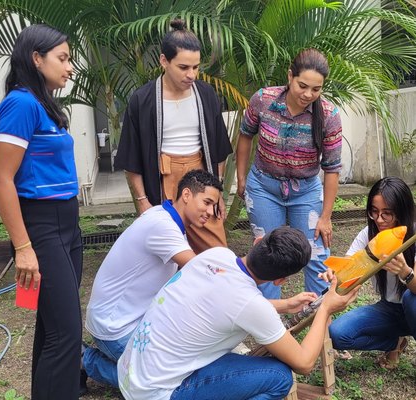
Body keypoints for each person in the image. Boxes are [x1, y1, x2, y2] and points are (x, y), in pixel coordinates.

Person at [117, 226, 359, 400]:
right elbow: (304, 363)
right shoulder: (251, 305)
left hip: (130, 373)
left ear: (257, 242)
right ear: (280, 280)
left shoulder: (216, 255)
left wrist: (284, 305)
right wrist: (326, 307)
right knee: (279, 377)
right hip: (157, 393)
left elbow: (226, 304)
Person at [0, 25, 82, 399]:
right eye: (63, 58)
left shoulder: (43, 104)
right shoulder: (21, 104)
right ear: (36, 58)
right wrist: (23, 247)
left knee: (53, 327)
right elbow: (1, 180)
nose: (70, 67)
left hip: (67, 225)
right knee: (66, 334)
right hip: (41, 227)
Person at [82, 169, 222, 389]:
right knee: (163, 384)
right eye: (207, 202)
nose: (210, 211)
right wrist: (249, 264)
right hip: (114, 326)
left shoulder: (168, 219)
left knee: (182, 360)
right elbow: (201, 269)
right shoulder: (162, 226)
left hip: (134, 319)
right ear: (186, 195)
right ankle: (85, 360)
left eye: (214, 206)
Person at [114, 19, 233, 254]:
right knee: (168, 255)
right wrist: (142, 201)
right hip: (163, 180)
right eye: (183, 67)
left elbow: (219, 149)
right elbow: (131, 156)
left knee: (215, 251)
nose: (191, 74)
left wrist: (217, 193)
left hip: (202, 178)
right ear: (163, 61)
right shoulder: (143, 99)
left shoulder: (206, 95)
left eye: (196, 67)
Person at [236, 48, 342, 299]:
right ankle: (269, 324)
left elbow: (332, 168)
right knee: (266, 256)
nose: (308, 94)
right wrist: (241, 178)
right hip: (263, 187)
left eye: (316, 89)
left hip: (305, 191)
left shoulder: (329, 115)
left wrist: (325, 216)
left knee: (316, 255)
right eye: (302, 85)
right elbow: (245, 135)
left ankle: (319, 322)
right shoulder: (263, 100)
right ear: (290, 76)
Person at [327, 177, 416, 369]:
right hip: (390, 309)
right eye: (374, 212)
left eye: (387, 213)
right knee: (337, 333)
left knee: (410, 298)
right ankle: (394, 343)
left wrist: (405, 272)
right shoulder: (368, 234)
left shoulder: (413, 237)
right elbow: (348, 265)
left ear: (401, 212)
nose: (379, 219)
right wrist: (333, 273)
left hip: (414, 306)